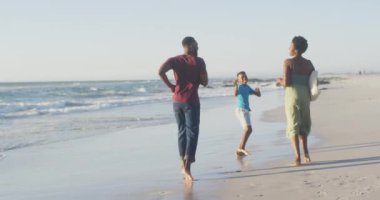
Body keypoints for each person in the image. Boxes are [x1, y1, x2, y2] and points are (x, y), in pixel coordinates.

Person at [158, 36, 208, 181]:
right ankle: (187, 168)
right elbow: (205, 82)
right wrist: (201, 78)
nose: (198, 48)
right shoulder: (199, 61)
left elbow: (160, 71)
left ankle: (182, 164)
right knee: (192, 132)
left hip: (177, 101)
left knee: (181, 131)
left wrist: (171, 87)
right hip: (191, 101)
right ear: (190, 45)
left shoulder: (174, 60)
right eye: (196, 45)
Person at [276, 36, 315, 166]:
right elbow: (314, 80)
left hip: (292, 95)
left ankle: (297, 157)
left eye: (290, 45)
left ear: (295, 48)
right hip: (305, 95)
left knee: (293, 123)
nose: (289, 47)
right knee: (304, 123)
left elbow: (287, 82)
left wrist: (279, 81)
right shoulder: (309, 63)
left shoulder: (288, 62)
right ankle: (307, 154)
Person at [232, 71, 261, 156]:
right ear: (239, 80)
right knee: (248, 129)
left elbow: (258, 95)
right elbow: (235, 94)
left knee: (249, 129)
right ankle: (241, 148)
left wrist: (257, 91)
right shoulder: (239, 87)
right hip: (241, 110)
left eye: (245, 77)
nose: (244, 78)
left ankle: (240, 149)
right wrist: (235, 85)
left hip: (246, 110)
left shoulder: (247, 87)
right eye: (242, 78)